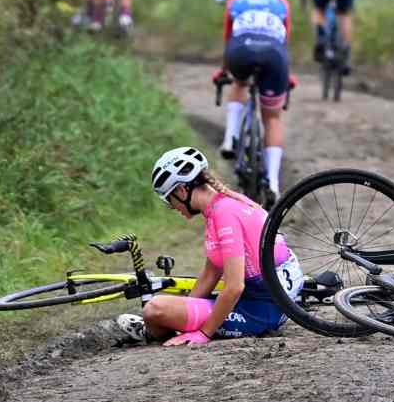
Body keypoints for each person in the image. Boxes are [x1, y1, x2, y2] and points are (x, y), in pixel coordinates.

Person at [116, 147, 304, 345]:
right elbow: (210, 274)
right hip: (272, 301)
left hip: (261, 311)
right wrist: (185, 308)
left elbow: (234, 287)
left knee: (154, 309)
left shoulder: (223, 214)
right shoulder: (227, 203)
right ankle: (165, 328)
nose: (172, 208)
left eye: (169, 201)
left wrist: (204, 333)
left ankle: (151, 333)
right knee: (165, 307)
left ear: (181, 190)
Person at [215, 0, 292, 198]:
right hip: (274, 55)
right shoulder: (282, 3)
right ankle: (273, 184)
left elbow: (229, 39)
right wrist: (287, 76)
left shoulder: (235, 0)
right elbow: (283, 41)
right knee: (272, 117)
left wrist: (223, 71)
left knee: (239, 82)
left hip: (241, 50)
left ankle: (230, 139)